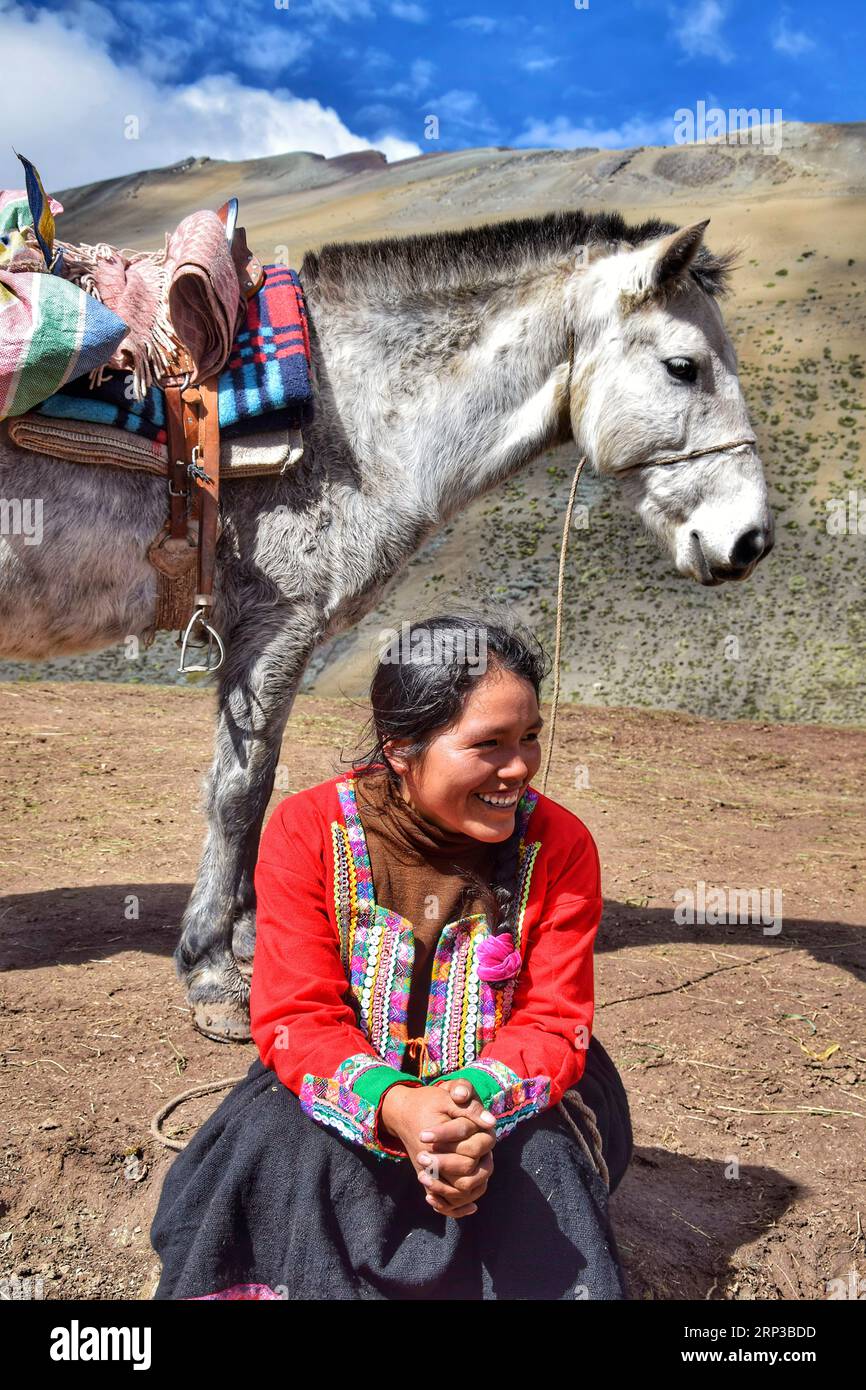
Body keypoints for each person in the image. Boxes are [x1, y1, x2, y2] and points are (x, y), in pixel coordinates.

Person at [150, 612, 633, 1300]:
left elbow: (554, 1023)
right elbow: (297, 1013)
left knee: (543, 1170)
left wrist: (463, 1109)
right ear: (401, 748)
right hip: (342, 1073)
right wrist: (397, 1105)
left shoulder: (560, 846)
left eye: (530, 737)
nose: (519, 766)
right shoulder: (308, 831)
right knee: (286, 1152)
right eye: (488, 744)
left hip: (510, 1093)